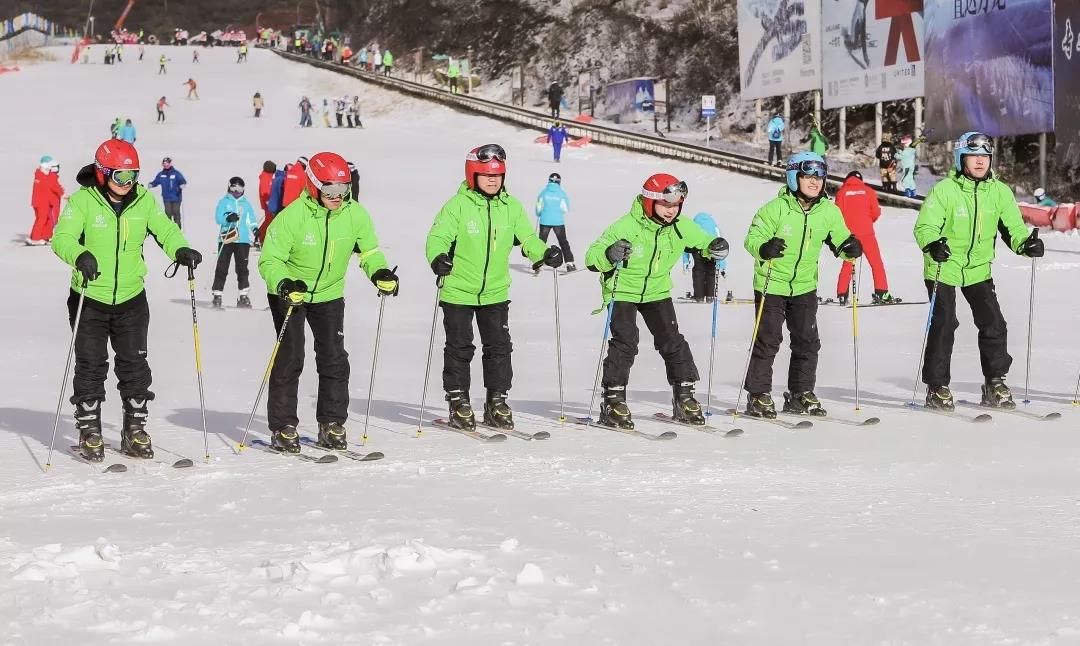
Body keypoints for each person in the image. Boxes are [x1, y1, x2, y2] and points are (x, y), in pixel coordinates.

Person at [51, 139, 202, 461]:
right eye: (120, 176)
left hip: (132, 299)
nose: (128, 182)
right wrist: (79, 255)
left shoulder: (143, 201)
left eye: (133, 174)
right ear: (103, 173)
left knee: (135, 365)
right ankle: (89, 429)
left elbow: (165, 229)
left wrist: (180, 249)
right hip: (89, 298)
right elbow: (61, 238)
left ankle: (134, 429)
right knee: (91, 365)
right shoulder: (82, 202)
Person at [258, 151, 398, 452]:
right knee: (291, 356)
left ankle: (331, 424)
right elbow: (270, 260)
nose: (337, 196)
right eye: (330, 190)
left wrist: (380, 272)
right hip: (290, 292)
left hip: (329, 294)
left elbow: (370, 251)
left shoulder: (355, 214)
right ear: (313, 186)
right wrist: (283, 283)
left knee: (334, 358)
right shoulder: (292, 217)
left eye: (343, 189)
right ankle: (283, 427)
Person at [426, 144, 563, 430]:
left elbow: (527, 237)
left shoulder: (511, 207)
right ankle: (458, 401)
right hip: (458, 292)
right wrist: (438, 258)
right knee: (460, 347)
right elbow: (437, 238)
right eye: (486, 175)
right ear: (472, 175)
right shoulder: (457, 206)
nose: (493, 180)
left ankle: (496, 401)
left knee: (499, 348)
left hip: (496, 292)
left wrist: (543, 252)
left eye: (498, 175)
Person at [584, 174, 730, 429]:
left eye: (675, 206)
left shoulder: (681, 225)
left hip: (657, 291)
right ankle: (613, 400)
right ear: (650, 202)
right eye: (666, 205)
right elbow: (591, 257)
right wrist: (610, 254)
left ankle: (684, 395)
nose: (671, 211)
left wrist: (714, 246)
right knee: (626, 341)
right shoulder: (627, 226)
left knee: (672, 340)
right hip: (622, 292)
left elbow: (703, 243)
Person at [913, 132, 1043, 411]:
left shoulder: (999, 192)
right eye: (974, 156)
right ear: (961, 159)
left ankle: (994, 382)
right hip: (943, 266)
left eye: (985, 157)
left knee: (994, 323)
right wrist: (933, 244)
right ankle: (937, 387)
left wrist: (1026, 244)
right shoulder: (945, 190)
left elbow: (1013, 230)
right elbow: (925, 227)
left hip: (978, 269)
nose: (980, 162)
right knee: (945, 323)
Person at [741, 152, 863, 419]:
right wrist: (764, 247)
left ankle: (800, 393)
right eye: (808, 176)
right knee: (768, 340)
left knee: (807, 341)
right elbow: (752, 238)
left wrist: (850, 246)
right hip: (771, 284)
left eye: (819, 177)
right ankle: (758, 395)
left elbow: (840, 240)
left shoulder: (829, 212)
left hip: (804, 286)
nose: (814, 182)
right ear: (794, 177)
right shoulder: (774, 209)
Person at [834, 171, 892, 304]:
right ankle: (881, 292)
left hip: (849, 235)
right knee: (876, 264)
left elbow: (836, 215)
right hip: (867, 233)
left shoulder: (842, 192)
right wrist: (866, 221)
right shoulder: (868, 191)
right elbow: (876, 212)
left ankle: (842, 294)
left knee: (848, 264)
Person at [212, 177, 259, 309]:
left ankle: (243, 296)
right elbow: (218, 218)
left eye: (240, 189)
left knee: (242, 268)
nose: (237, 192)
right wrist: (228, 218)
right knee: (222, 266)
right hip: (227, 238)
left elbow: (251, 219)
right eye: (234, 189)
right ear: (229, 188)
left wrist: (255, 229)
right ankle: (217, 294)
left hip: (242, 239)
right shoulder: (224, 202)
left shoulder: (246, 203)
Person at [534, 172, 577, 273]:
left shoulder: (544, 192)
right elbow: (565, 208)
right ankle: (569, 263)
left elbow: (539, 207)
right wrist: (557, 213)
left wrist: (539, 213)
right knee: (563, 242)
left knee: (541, 243)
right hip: (558, 221)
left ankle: (538, 265)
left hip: (545, 220)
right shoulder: (561, 193)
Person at [683, 212, 726, 302]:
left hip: (697, 248)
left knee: (698, 270)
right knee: (711, 271)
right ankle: (710, 296)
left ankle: (699, 296)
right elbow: (721, 245)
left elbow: (685, 243)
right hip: (711, 248)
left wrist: (685, 261)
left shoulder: (693, 224)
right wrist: (722, 265)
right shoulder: (714, 226)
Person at [29, 155, 65, 245]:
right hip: (42, 202)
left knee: (45, 219)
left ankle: (44, 236)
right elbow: (53, 186)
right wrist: (62, 194)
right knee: (41, 219)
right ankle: (35, 238)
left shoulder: (44, 176)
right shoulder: (42, 176)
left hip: (45, 202)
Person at [148, 157, 187, 228]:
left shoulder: (176, 173)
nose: (165, 165)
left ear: (170, 164)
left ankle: (178, 228)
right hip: (166, 198)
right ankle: (169, 229)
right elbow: (156, 181)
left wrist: (182, 184)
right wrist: (152, 184)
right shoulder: (161, 174)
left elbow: (182, 181)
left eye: (167, 163)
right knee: (168, 213)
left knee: (176, 212)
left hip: (176, 197)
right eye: (164, 164)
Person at [258, 160, 276, 241]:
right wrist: (269, 202)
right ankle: (260, 238)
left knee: (268, 220)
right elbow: (264, 192)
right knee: (268, 221)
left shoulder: (268, 176)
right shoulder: (266, 177)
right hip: (268, 203)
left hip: (269, 202)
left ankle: (259, 236)